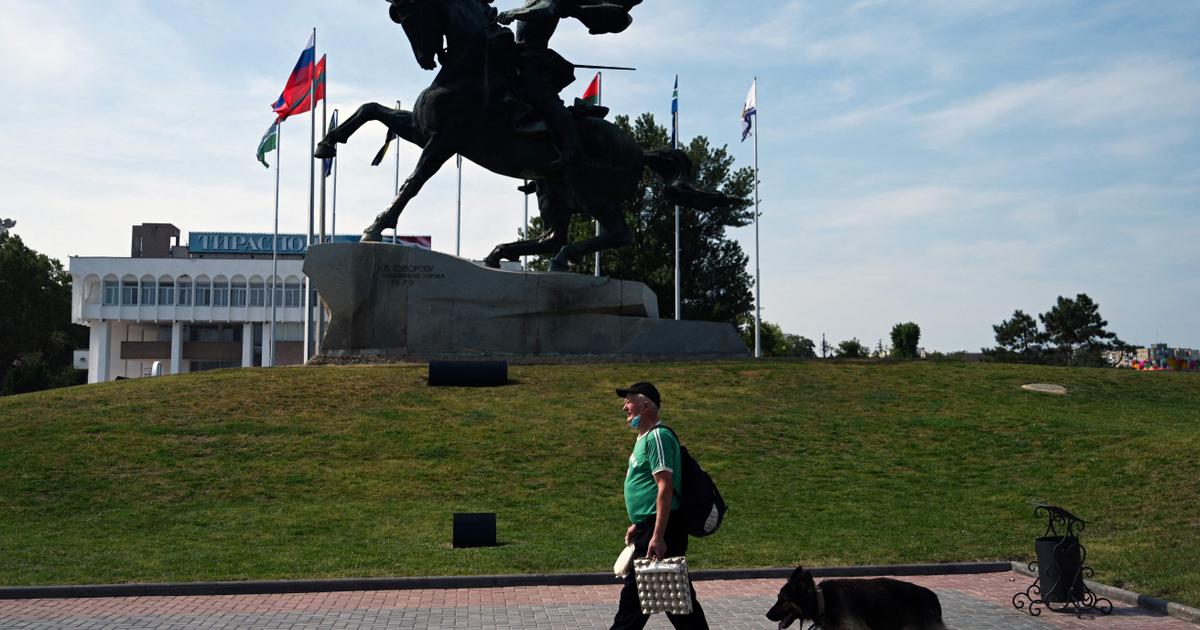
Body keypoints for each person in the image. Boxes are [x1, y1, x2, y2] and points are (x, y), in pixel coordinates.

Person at [611, 382, 708, 630]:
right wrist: (639, 523)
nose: (625, 407)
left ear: (645, 405)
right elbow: (650, 489)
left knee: (634, 603)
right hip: (652, 527)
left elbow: (665, 487)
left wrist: (657, 534)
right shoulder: (644, 438)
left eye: (629, 401)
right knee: (678, 604)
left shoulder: (658, 437)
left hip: (663, 530)